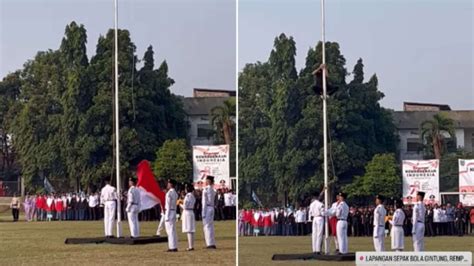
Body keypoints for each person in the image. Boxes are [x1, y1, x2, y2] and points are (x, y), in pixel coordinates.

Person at [202, 175, 217, 249]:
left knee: (207, 226)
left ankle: (209, 244)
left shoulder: (206, 189)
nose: (205, 182)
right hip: (212, 207)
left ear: (208, 181)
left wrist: (203, 212)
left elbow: (204, 202)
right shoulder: (213, 190)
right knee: (211, 226)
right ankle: (212, 242)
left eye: (206, 180)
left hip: (207, 208)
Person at [181, 183, 196, 251]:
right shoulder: (192, 195)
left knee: (189, 230)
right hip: (191, 212)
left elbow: (185, 206)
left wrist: (179, 204)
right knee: (191, 230)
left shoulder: (187, 196)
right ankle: (191, 245)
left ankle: (190, 246)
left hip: (187, 212)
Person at [165, 179, 178, 252]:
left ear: (171, 184)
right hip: (173, 211)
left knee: (170, 231)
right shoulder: (175, 193)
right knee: (172, 230)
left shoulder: (169, 193)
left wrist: (167, 215)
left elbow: (168, 205)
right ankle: (173, 245)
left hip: (169, 212)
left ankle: (172, 247)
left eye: (168, 183)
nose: (167, 185)